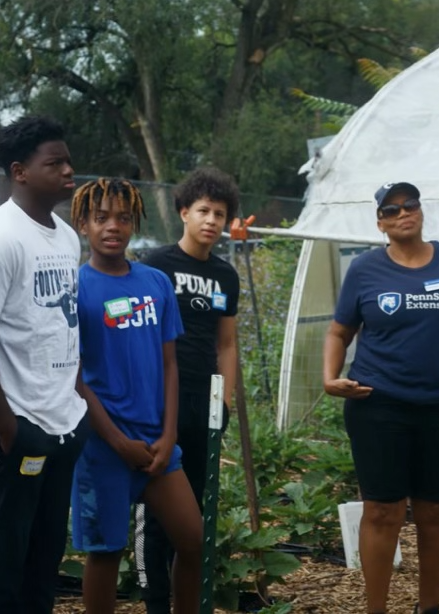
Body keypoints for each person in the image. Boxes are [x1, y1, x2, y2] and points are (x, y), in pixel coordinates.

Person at [322, 181, 439, 614]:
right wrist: (329, 377)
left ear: (420, 210)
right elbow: (340, 331)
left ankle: (429, 608)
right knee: (382, 512)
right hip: (378, 406)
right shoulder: (364, 269)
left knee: (435, 514)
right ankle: (376, 608)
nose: (402, 213)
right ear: (380, 222)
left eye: (408, 204)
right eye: (391, 210)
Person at [0, 115, 88, 614]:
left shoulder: (65, 236)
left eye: (67, 160)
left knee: (45, 556)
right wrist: (5, 423)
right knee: (2, 559)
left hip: (61, 423)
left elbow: (63, 325)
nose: (67, 171)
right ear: (19, 171)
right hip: (15, 424)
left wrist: (74, 402)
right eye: (53, 163)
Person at [68, 177, 202, 614]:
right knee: (105, 552)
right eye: (101, 217)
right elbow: (74, 376)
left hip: (158, 445)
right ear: (83, 224)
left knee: (193, 538)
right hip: (105, 446)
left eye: (123, 218)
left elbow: (169, 365)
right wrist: (116, 441)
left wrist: (169, 436)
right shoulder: (76, 289)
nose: (113, 227)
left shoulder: (156, 283)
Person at [135, 166, 241, 613]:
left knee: (197, 512)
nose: (211, 221)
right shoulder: (156, 266)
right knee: (157, 514)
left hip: (205, 403)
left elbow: (227, 343)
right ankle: (155, 603)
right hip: (163, 403)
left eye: (219, 214)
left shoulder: (225, 276)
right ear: (183, 212)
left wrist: (226, 402)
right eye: (203, 211)